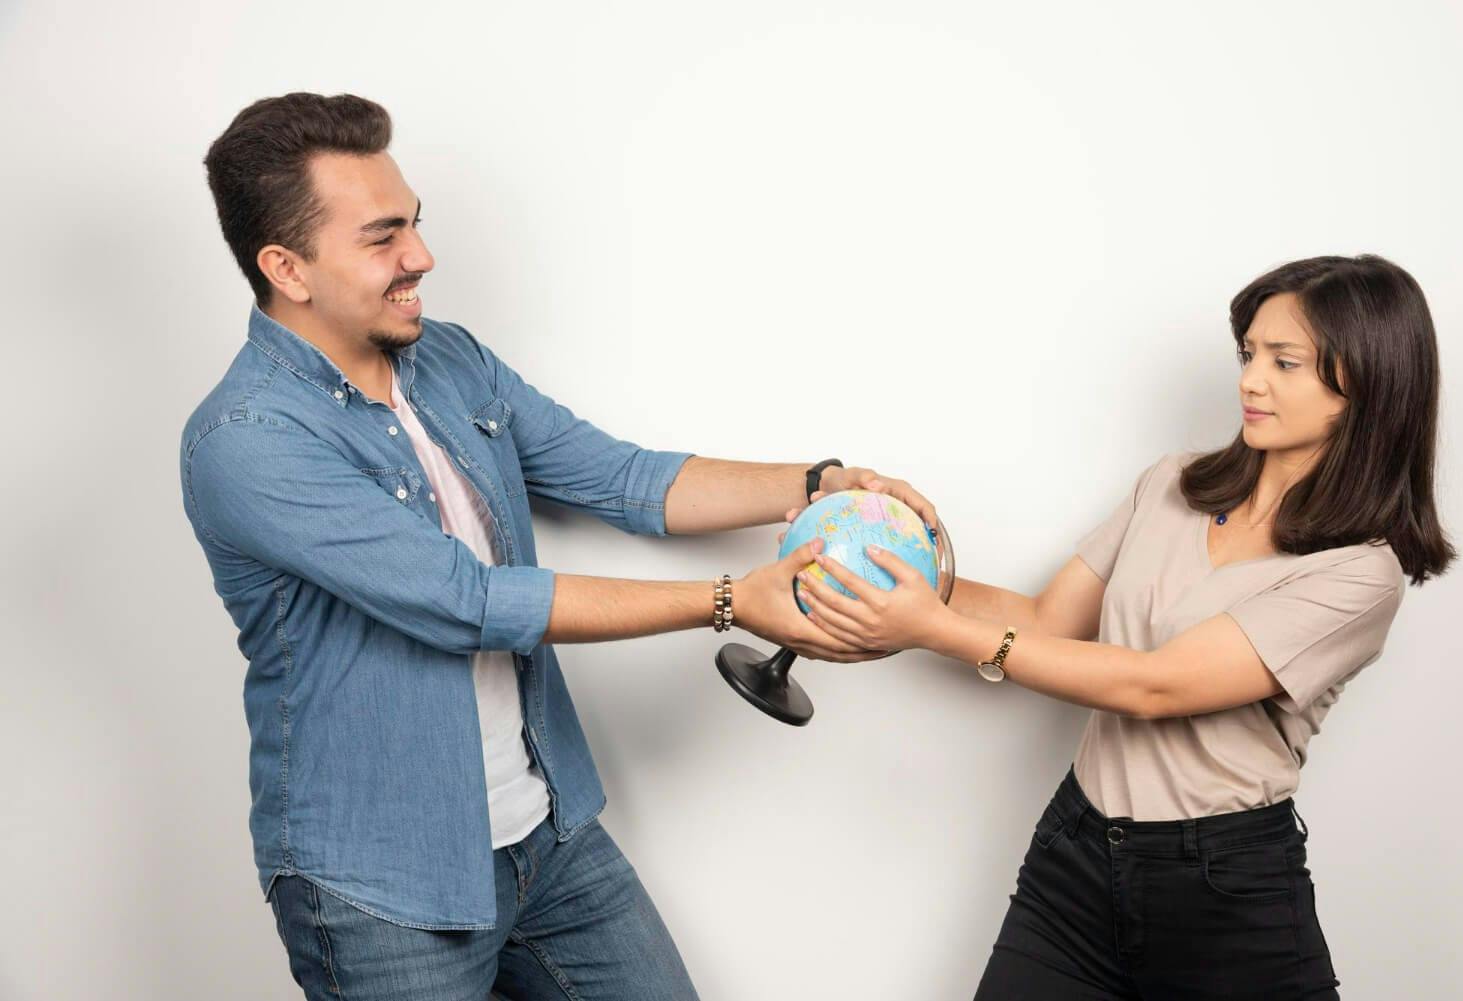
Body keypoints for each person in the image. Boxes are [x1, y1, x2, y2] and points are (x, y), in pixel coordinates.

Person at [180, 92, 934, 1001]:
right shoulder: (247, 438)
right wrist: (730, 600)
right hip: (380, 885)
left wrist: (819, 483)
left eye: (414, 224)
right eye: (382, 238)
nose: (421, 256)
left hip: (548, 832)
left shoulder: (449, 360)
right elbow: (469, 602)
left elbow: (622, 478)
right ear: (286, 268)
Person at [787, 255, 1455, 1000]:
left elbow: (1153, 685)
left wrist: (933, 627)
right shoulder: (1174, 483)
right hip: (1075, 860)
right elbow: (1044, 620)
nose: (1250, 380)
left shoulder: (1359, 573)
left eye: (1283, 361)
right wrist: (893, 556)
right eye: (1248, 353)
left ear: (1364, 382)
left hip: (1224, 893)